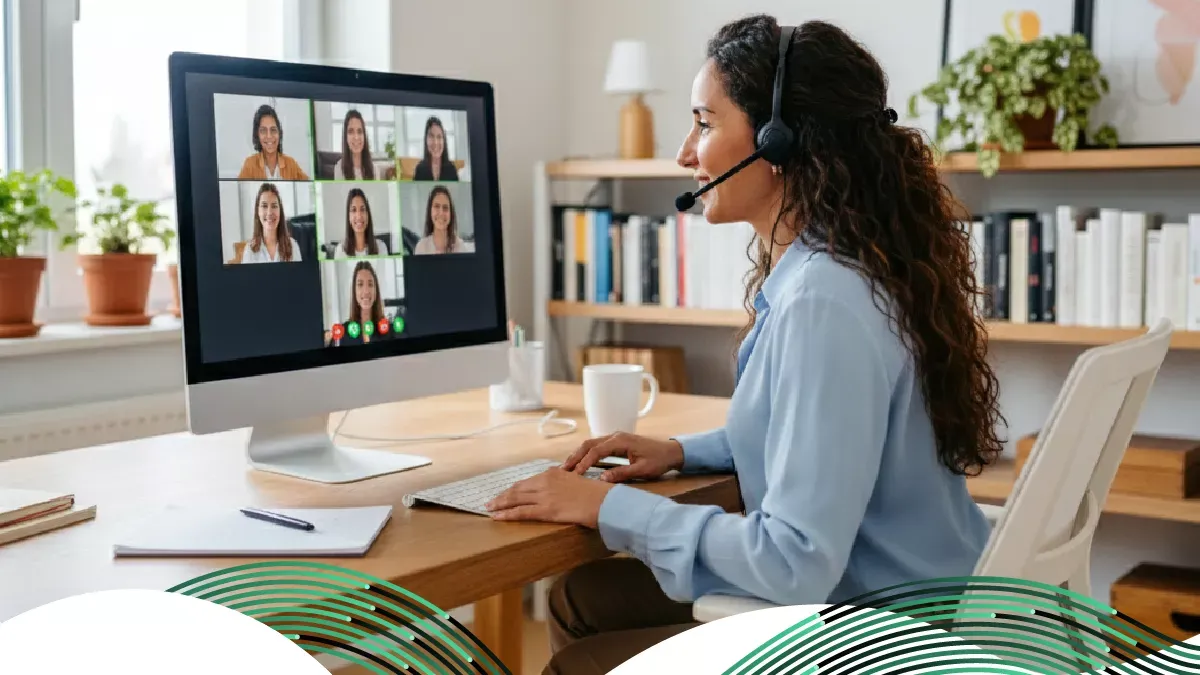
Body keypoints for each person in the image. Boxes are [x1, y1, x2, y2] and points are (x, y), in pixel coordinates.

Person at [483, 16, 1004, 674]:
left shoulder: (823, 302)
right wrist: (678, 451)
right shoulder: (850, 267)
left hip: (874, 634)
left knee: (578, 658)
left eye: (704, 122)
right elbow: (817, 436)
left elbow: (793, 562)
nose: (684, 153)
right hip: (907, 594)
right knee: (584, 597)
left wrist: (609, 505)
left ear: (777, 140)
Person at [237, 104, 310, 180]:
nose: (269, 136)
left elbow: (309, 186)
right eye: (263, 130)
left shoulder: (290, 164)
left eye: (273, 130)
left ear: (279, 133)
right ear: (257, 134)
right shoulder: (250, 164)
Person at [326, 261, 391, 346]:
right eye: (360, 284)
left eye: (370, 284)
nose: (366, 291)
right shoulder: (342, 334)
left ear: (376, 291)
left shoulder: (388, 331)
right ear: (354, 291)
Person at [240, 183, 302, 263]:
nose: (269, 212)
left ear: (280, 211)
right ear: (258, 211)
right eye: (264, 206)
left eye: (274, 206)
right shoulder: (249, 251)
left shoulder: (293, 246)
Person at [413, 186, 474, 254]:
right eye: (436, 206)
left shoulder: (460, 246)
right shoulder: (421, 247)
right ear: (430, 211)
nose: (441, 213)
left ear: (451, 213)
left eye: (445, 208)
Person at [336, 188, 390, 258]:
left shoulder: (381, 248)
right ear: (348, 217)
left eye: (362, 209)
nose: (359, 216)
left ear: (368, 214)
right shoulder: (340, 250)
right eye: (353, 210)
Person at [411, 116, 459, 181]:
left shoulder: (452, 169)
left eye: (439, 137)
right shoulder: (420, 169)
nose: (435, 142)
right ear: (426, 140)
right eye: (431, 136)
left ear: (444, 140)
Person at [333, 109, 377, 180]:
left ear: (364, 136)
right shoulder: (339, 168)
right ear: (346, 137)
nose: (356, 137)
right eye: (350, 131)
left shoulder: (374, 169)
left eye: (359, 131)